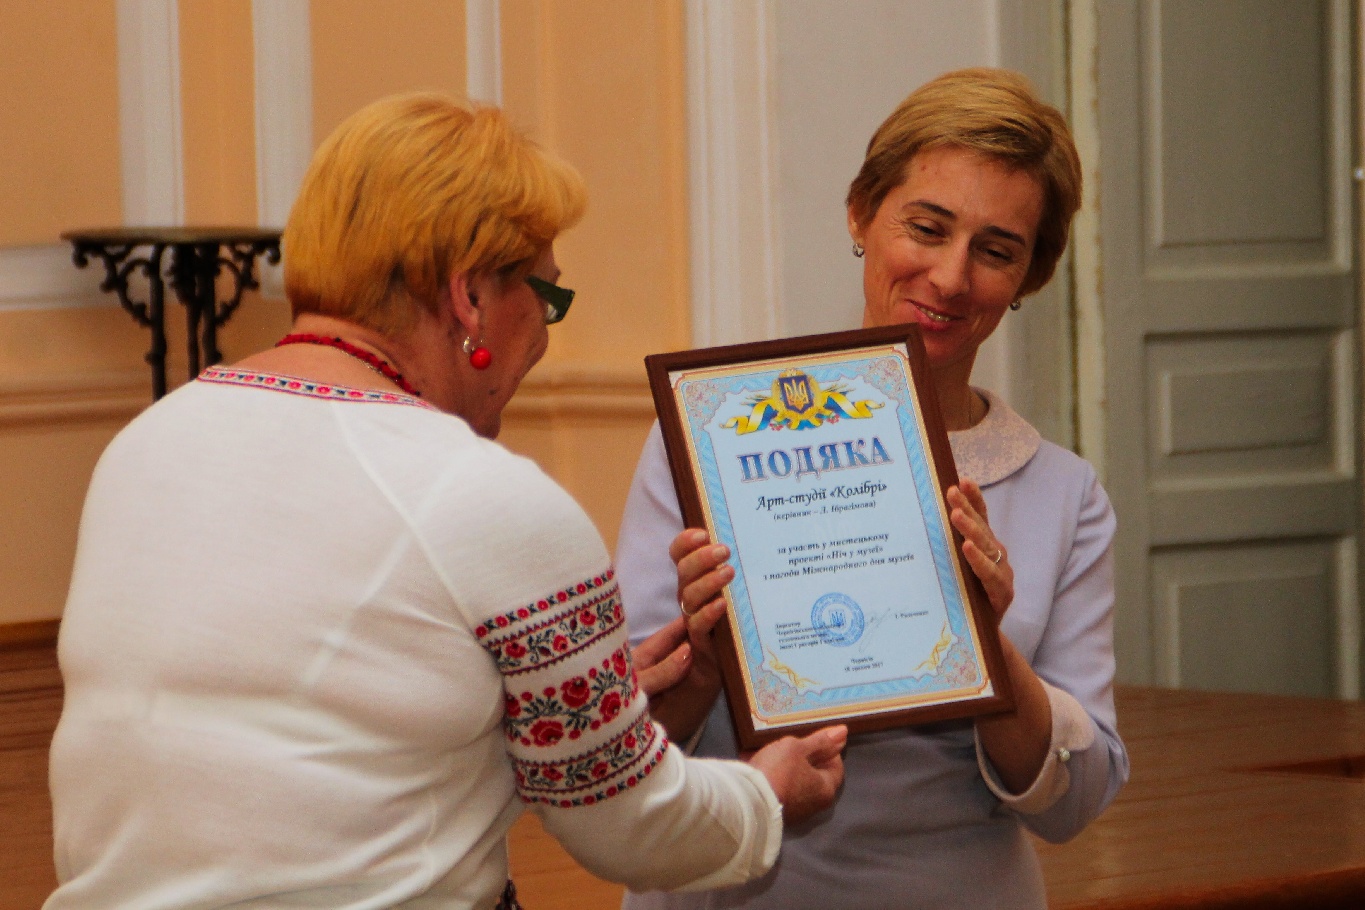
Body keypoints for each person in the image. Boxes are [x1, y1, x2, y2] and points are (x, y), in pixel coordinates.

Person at [44, 93, 847, 910]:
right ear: (469, 298)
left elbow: (303, 748)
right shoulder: (482, 494)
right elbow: (626, 828)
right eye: (545, 297)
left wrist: (559, 717)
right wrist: (766, 794)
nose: (544, 335)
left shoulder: (147, 442)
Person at [616, 68, 1130, 910]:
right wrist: (703, 662)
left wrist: (984, 640)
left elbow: (1075, 803)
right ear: (860, 212)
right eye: (926, 228)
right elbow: (618, 757)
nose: (951, 277)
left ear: (1029, 277)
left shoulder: (1060, 494)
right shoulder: (709, 438)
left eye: (996, 250)